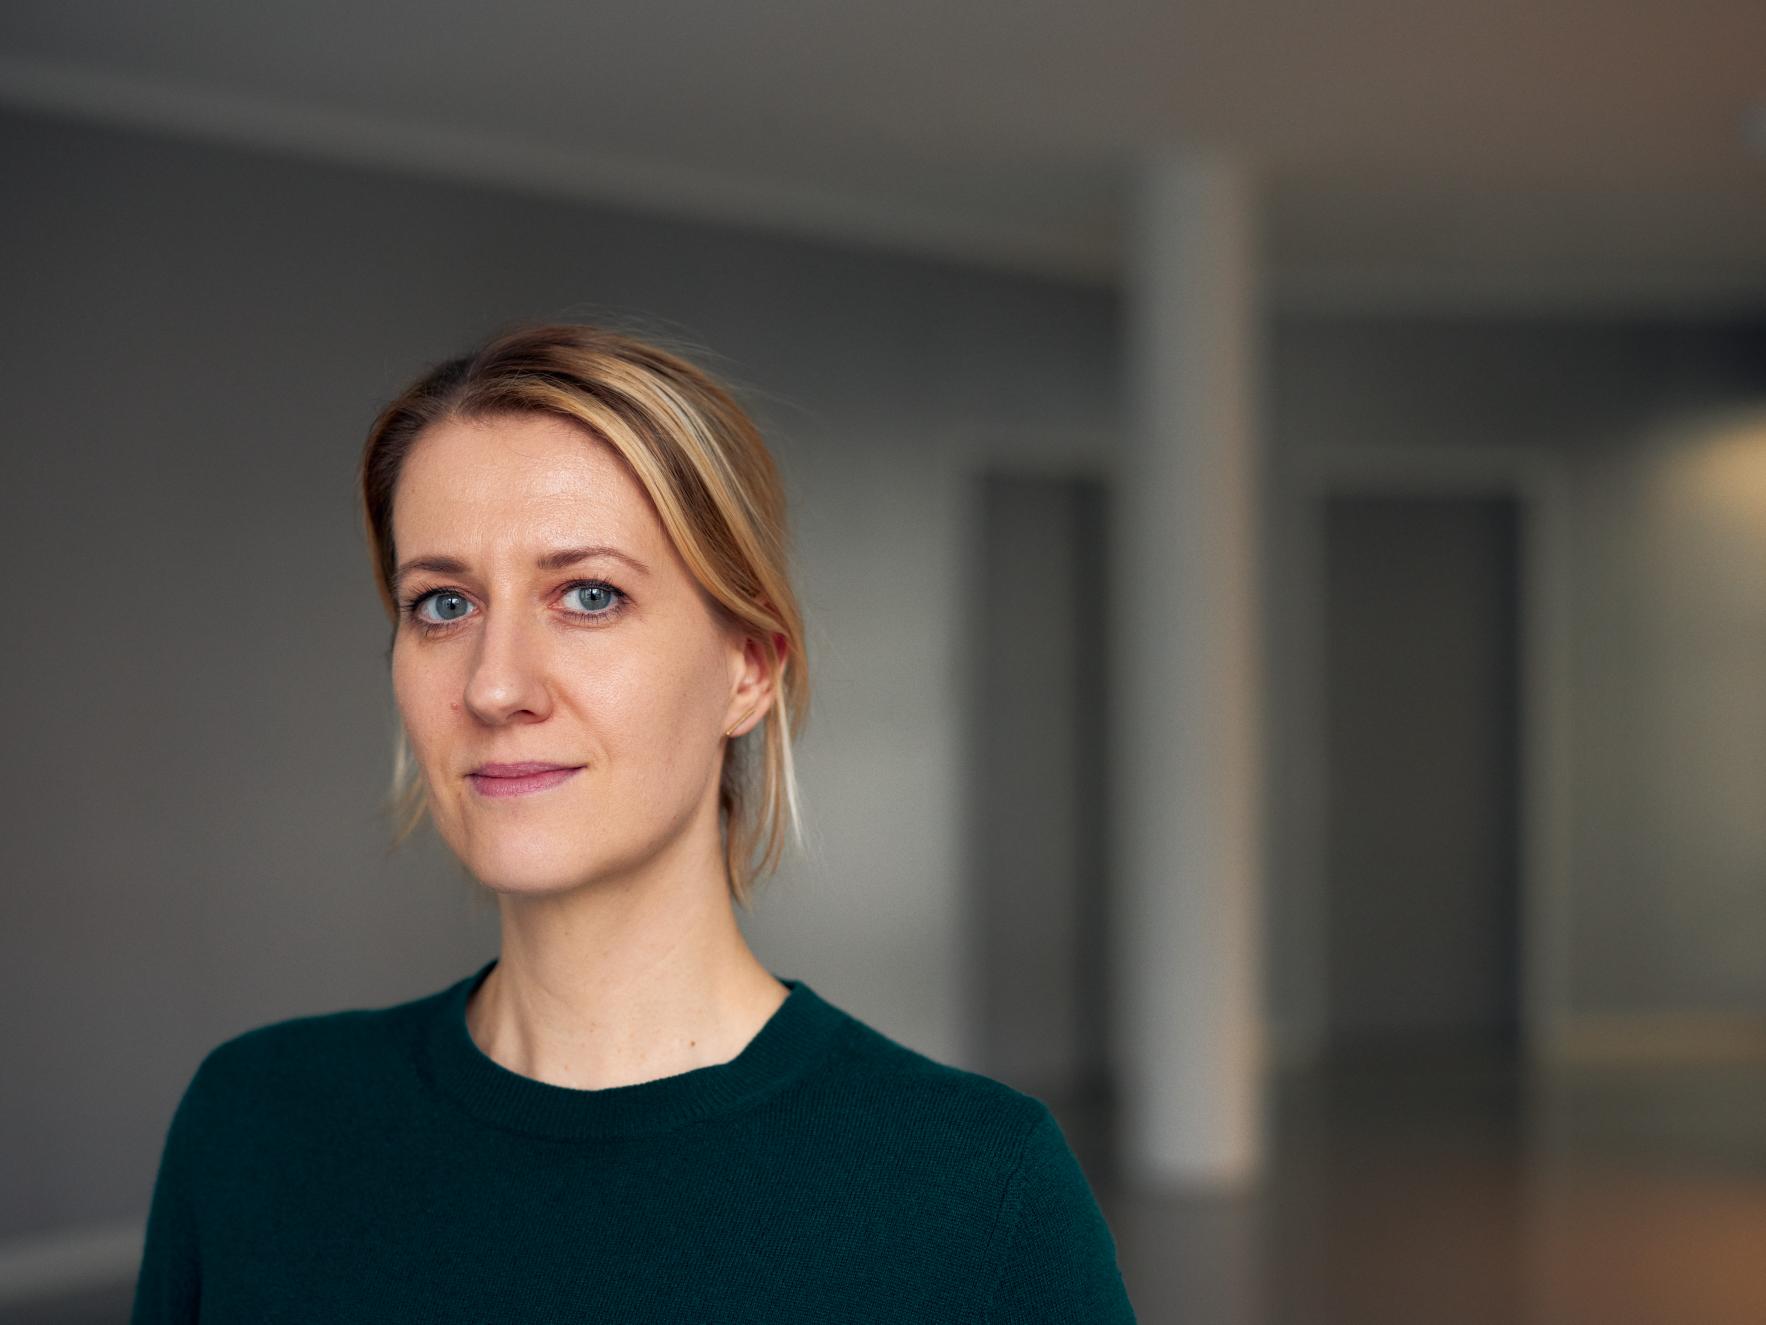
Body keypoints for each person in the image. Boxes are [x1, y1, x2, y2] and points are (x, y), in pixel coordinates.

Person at [130, 321, 1138, 1323]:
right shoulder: (254, 1122)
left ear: (747, 667)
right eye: (443, 604)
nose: (494, 685)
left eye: (589, 594)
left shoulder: (978, 1192)